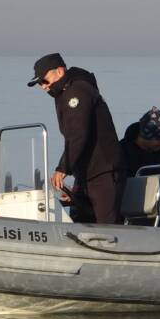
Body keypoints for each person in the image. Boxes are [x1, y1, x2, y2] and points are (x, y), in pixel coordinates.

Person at [27, 53, 124, 224]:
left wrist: (63, 168)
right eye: (39, 83)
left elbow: (78, 134)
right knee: (79, 221)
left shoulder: (77, 91)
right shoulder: (63, 92)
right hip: (86, 174)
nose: (43, 86)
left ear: (59, 71)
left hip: (104, 172)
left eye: (44, 80)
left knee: (107, 226)